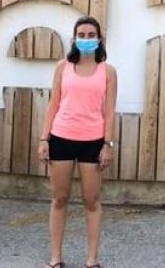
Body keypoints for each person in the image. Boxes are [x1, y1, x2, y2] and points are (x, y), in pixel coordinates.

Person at [38, 16, 119, 268]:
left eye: (91, 35)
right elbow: (53, 104)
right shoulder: (63, 67)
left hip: (92, 141)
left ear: (99, 39)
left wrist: (108, 144)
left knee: (91, 200)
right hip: (61, 137)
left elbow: (109, 110)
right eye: (81, 35)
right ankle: (55, 258)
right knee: (59, 198)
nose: (86, 39)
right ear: (74, 39)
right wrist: (44, 138)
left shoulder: (108, 71)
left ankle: (92, 259)